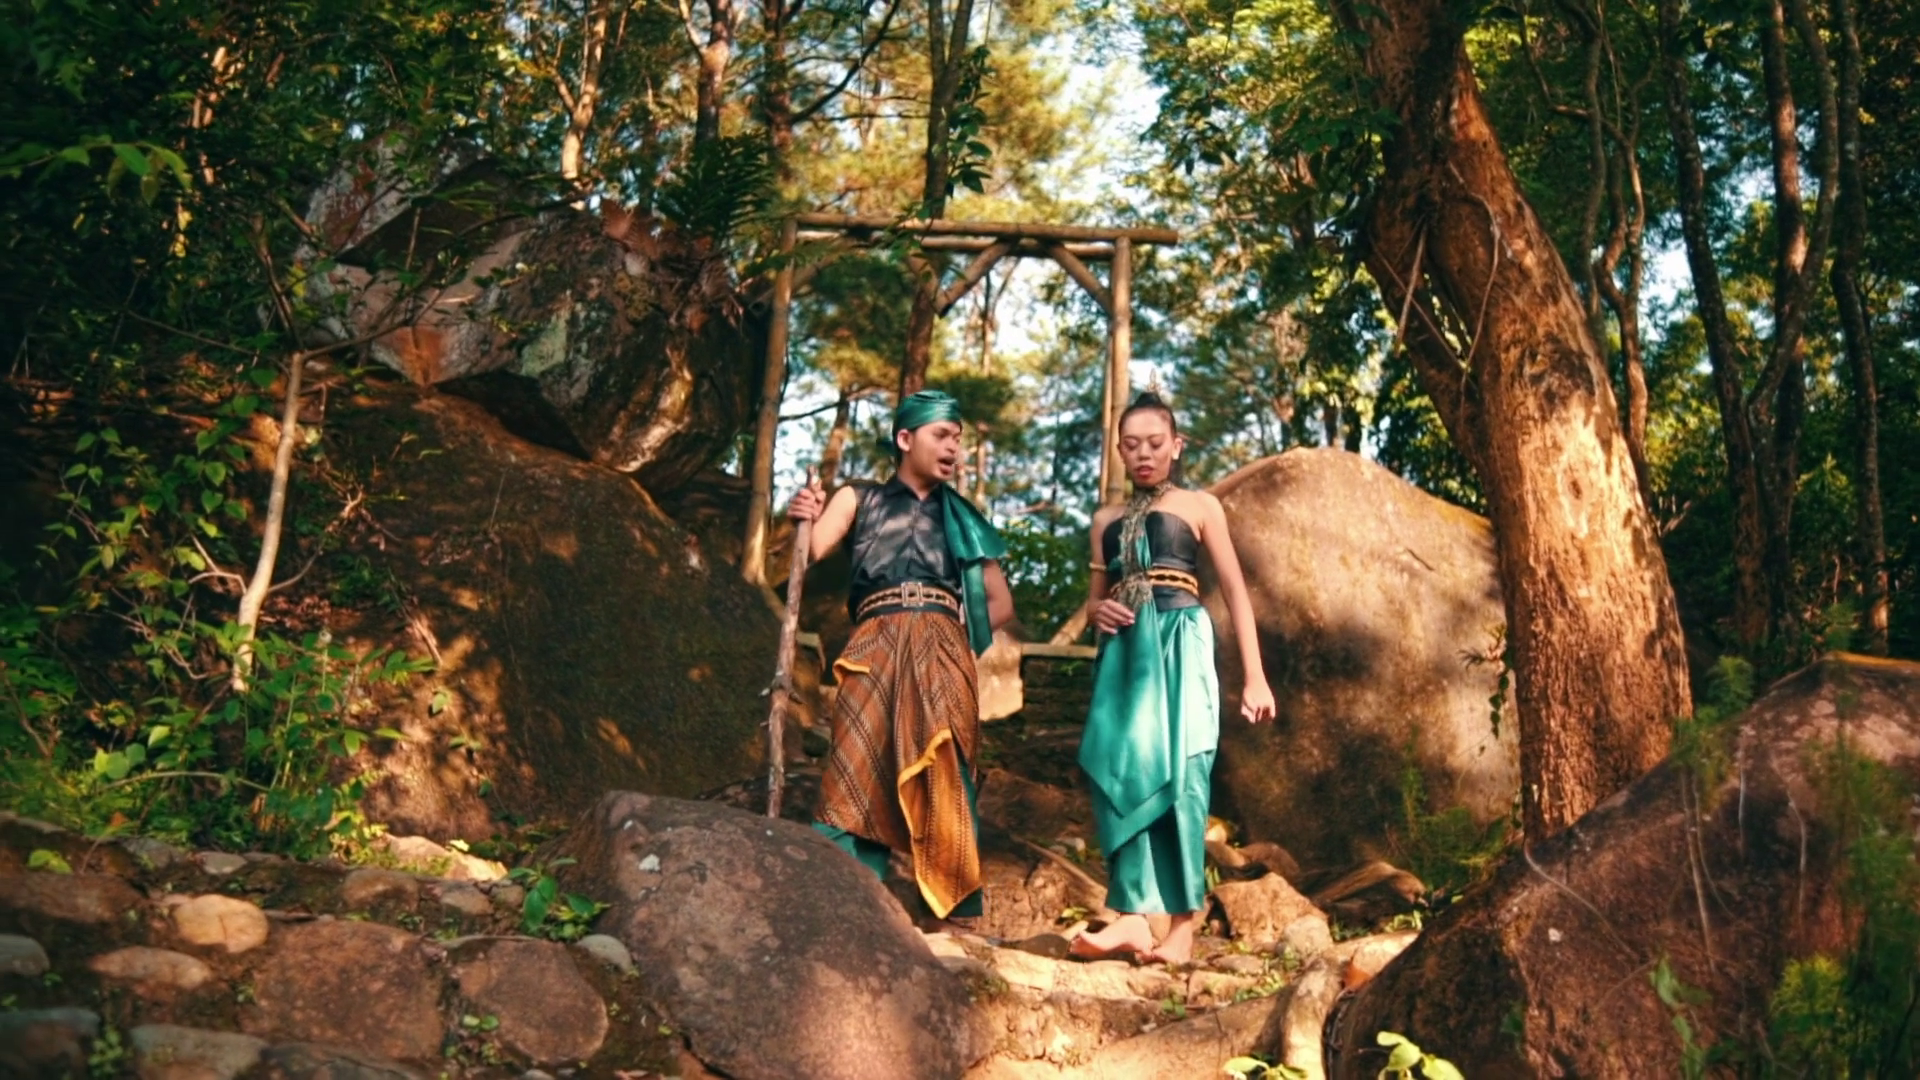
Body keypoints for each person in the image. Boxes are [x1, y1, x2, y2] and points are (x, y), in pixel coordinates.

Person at [787, 390, 1015, 925]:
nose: (953, 447)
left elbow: (1000, 602)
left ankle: (953, 913)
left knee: (945, 763)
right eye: (942, 435)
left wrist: (949, 631)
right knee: (855, 759)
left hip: (941, 642)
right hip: (874, 638)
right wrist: (804, 516)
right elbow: (811, 550)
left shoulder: (964, 519)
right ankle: (840, 899)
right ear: (905, 438)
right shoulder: (858, 498)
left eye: (958, 438)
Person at [1072, 391, 1275, 964]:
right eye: (1131, 445)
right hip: (1125, 652)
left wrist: (1255, 677)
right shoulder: (1104, 521)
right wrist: (1097, 612)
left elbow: (1234, 590)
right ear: (1118, 451)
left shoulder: (1200, 505)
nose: (1144, 454)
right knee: (1121, 771)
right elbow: (1093, 601)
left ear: (1176, 446)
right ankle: (1133, 918)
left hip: (1182, 639)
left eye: (1155, 443)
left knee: (1185, 772)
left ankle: (1183, 928)